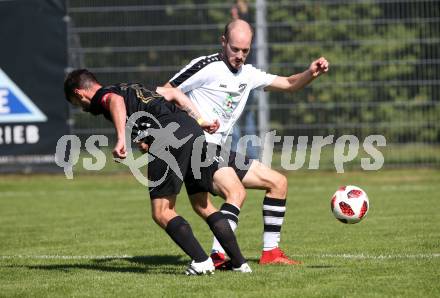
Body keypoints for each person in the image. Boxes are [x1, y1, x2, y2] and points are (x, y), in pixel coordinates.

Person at [163, 19, 329, 267]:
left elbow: (288, 84)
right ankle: (219, 255)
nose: (240, 55)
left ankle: (271, 253)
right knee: (235, 192)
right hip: (198, 146)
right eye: (235, 49)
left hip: (219, 149)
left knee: (278, 183)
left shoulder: (248, 74)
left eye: (245, 50)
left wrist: (310, 73)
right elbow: (165, 91)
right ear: (223, 42)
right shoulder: (206, 66)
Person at [63, 69, 252, 274]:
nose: (81, 108)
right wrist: (200, 120)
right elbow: (175, 94)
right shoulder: (131, 88)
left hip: (169, 135)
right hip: (192, 129)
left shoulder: (104, 95)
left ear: (80, 92)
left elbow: (115, 101)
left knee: (162, 211)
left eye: (76, 102)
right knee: (202, 204)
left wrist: (121, 138)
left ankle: (201, 262)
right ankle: (240, 264)